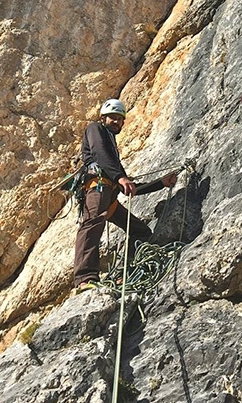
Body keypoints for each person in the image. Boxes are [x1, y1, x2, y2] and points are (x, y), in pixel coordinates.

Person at [73, 98, 177, 289]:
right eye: (112, 117)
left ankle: (125, 273)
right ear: (103, 117)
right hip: (97, 189)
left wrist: (160, 183)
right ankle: (84, 279)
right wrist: (120, 177)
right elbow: (99, 152)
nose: (117, 122)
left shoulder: (112, 148)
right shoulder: (95, 128)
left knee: (141, 232)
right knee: (92, 224)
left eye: (120, 119)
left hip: (109, 196)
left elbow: (128, 187)